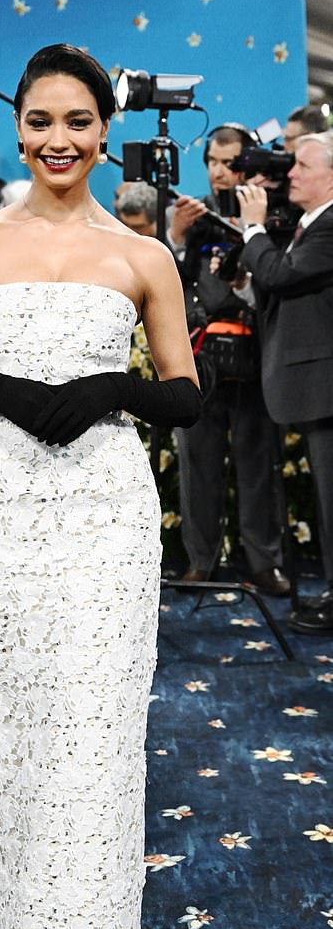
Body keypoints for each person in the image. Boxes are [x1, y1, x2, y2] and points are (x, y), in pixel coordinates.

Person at [0, 43, 201, 929]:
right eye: (39, 121)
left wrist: (111, 391)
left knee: (100, 735)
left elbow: (186, 390)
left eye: (77, 122)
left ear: (103, 129)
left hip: (103, 511)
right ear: (18, 126)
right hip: (5, 508)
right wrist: (1, 391)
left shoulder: (143, 255)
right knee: (21, 736)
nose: (56, 141)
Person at [166, 125, 290, 596]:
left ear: (251, 165)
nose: (220, 172)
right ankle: (201, 559)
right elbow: (167, 285)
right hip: (200, 360)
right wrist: (174, 237)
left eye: (230, 163)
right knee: (198, 463)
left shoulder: (273, 217)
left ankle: (263, 562)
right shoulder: (191, 215)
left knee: (259, 463)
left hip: (258, 356)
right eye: (213, 163)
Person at [239, 131, 333, 634]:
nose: (290, 174)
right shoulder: (308, 224)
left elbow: (280, 275)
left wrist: (252, 232)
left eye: (302, 166)